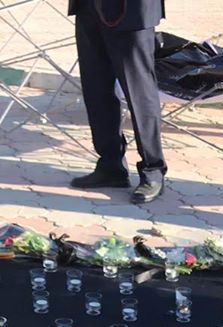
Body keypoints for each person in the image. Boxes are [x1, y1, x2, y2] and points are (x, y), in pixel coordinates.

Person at [68, 0, 167, 203]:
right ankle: (110, 165)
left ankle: (153, 169)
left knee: (139, 93)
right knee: (96, 88)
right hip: (88, 7)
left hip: (130, 11)